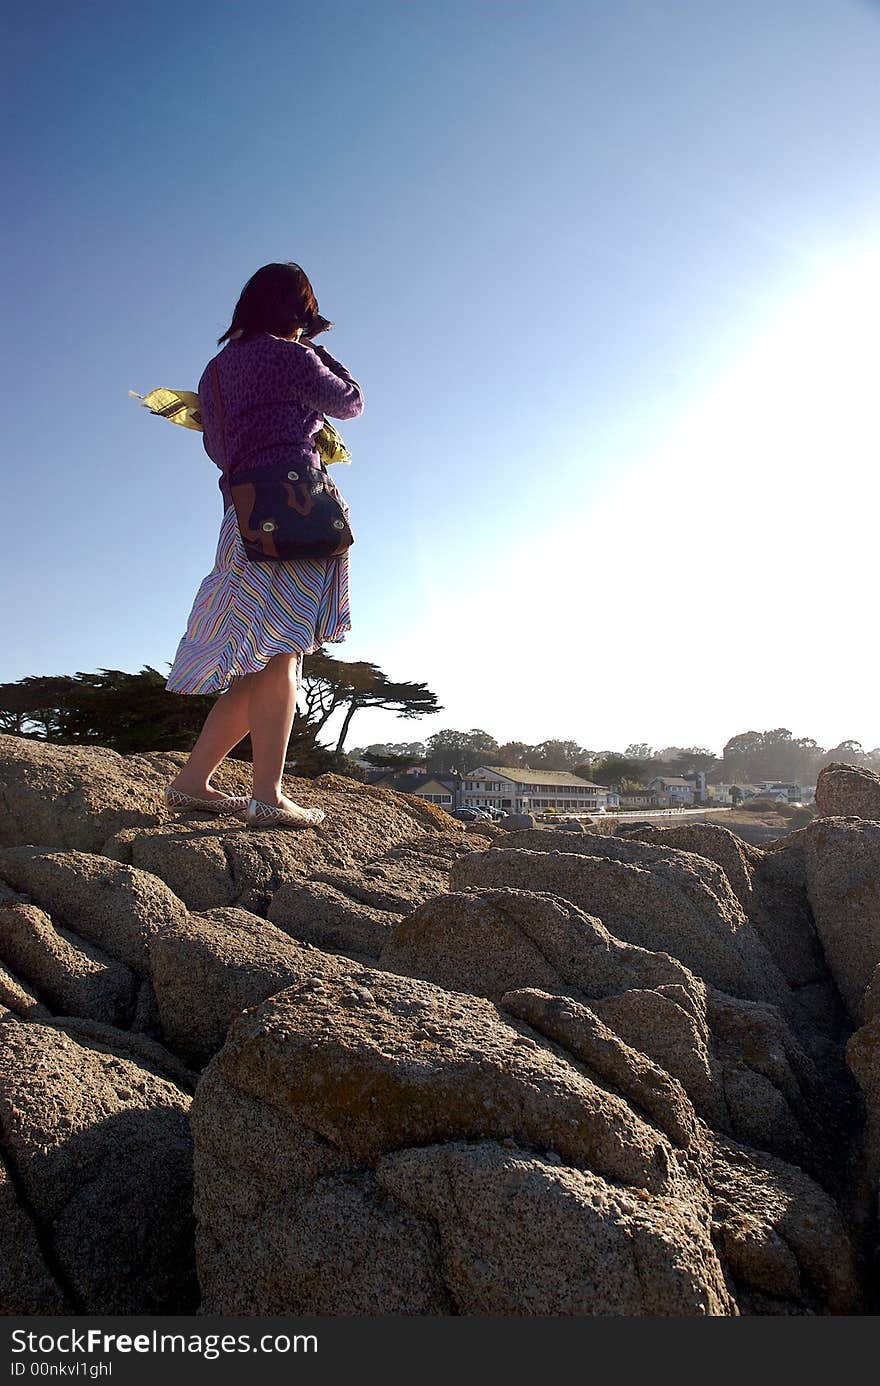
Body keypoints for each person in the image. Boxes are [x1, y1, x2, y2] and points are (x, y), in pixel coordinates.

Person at [163, 262, 364, 829]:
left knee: (259, 661)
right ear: (297, 311)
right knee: (283, 652)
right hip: (296, 509)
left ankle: (191, 783)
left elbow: (218, 448)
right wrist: (317, 351)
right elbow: (350, 401)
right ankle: (268, 795)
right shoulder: (290, 355)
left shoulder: (215, 371)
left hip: (243, 514)